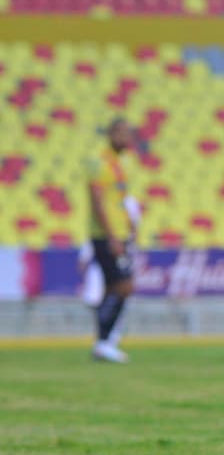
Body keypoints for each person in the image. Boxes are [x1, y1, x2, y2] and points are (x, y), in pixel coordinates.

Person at [86, 117, 138, 363]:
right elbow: (97, 201)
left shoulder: (123, 162)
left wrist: (130, 225)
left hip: (120, 233)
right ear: (111, 134)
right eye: (122, 133)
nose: (127, 138)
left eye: (129, 133)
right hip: (106, 236)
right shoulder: (99, 161)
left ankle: (103, 341)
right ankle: (105, 340)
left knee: (111, 288)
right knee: (123, 287)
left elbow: (121, 199)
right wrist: (112, 236)